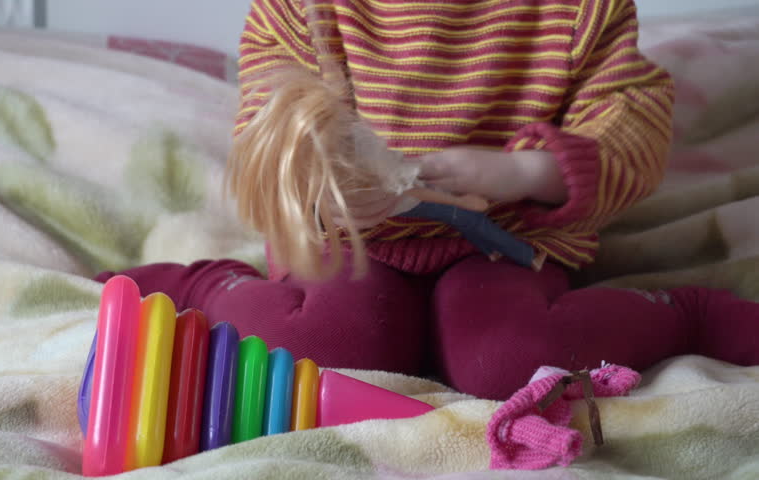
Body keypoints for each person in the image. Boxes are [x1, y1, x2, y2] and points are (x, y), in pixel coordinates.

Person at [96, 0, 759, 400]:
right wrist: (322, 192)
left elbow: (630, 127)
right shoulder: (309, 11)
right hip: (353, 238)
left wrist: (526, 171)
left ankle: (684, 318)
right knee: (327, 346)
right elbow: (271, 135)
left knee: (506, 361)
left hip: (505, 244)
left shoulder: (579, 13)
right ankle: (206, 286)